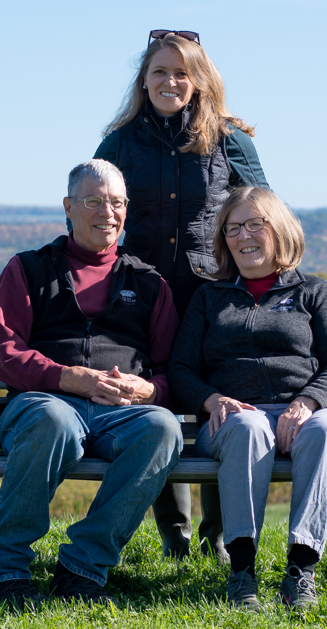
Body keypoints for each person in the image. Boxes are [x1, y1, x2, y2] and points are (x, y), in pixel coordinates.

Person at [94, 29, 269, 560]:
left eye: (180, 73)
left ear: (199, 81)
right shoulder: (119, 142)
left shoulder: (230, 141)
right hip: (140, 294)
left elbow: (263, 213)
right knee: (155, 397)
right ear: (143, 82)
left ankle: (220, 534)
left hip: (214, 293)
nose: (169, 81)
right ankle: (175, 533)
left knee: (222, 397)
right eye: (159, 73)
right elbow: (98, 211)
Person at [0, 159, 183, 608]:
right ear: (68, 207)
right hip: (42, 404)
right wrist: (70, 378)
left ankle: (83, 566)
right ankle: (5, 567)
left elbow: (172, 371)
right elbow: (4, 355)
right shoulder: (28, 270)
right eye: (93, 201)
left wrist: (151, 391)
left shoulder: (150, 283)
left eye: (116, 203)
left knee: (163, 429)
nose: (106, 212)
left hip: (121, 414)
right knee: (55, 420)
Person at [168, 186, 327, 611]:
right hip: (234, 419)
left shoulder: (313, 291)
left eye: (255, 224)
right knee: (248, 425)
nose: (243, 236)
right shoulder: (209, 298)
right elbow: (180, 369)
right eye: (233, 228)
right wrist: (212, 400)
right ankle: (242, 573)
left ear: (278, 229)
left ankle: (300, 572)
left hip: (309, 413)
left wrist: (309, 402)